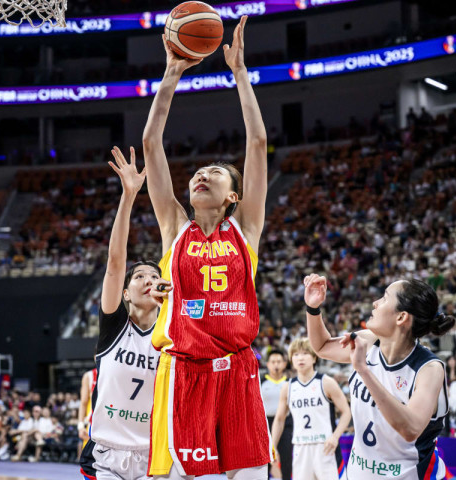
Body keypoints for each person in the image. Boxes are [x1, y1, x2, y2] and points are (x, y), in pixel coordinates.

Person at [144, 15, 271, 479]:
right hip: (188, 373)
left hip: (238, 371)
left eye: (215, 173)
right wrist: (171, 74)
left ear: (233, 195)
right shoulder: (175, 226)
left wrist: (240, 74)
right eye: (198, 172)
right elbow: (151, 144)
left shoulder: (246, 230)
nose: (201, 174)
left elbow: (257, 142)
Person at [304, 275, 454, 479]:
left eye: (384, 298)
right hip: (358, 473)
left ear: (401, 317)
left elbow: (410, 429)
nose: (375, 303)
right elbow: (322, 347)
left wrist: (364, 371)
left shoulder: (429, 369)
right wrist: (313, 309)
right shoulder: (368, 341)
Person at [79, 147, 161, 480]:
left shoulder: (170, 335)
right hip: (106, 455)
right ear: (125, 293)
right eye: (140, 276)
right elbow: (115, 264)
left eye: (154, 276)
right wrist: (128, 197)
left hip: (154, 455)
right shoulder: (114, 327)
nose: (148, 280)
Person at [271, 338, 351, 480]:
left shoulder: (326, 382)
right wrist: (273, 446)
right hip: (300, 446)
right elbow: (279, 419)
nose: (300, 358)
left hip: (325, 446)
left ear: (314, 358)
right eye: (296, 354)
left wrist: (335, 437)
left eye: (305, 353)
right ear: (291, 360)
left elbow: (346, 412)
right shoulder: (288, 387)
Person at [260, 349, 292, 480]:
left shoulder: (290, 383)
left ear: (284, 364)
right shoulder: (261, 382)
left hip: (286, 425)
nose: (276, 365)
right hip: (265, 425)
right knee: (264, 461)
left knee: (286, 460)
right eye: (273, 362)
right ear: (268, 364)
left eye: (279, 361)